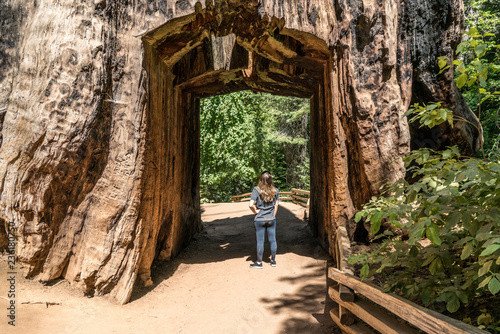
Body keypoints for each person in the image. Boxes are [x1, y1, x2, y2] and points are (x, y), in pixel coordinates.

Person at [248, 171, 280, 269]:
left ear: (261, 180)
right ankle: (273, 261)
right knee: (272, 240)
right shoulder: (275, 190)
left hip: (260, 219)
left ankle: (259, 262)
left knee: (260, 241)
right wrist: (273, 215)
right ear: (271, 180)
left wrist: (256, 212)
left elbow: (250, 205)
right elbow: (276, 205)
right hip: (271, 219)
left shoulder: (256, 190)